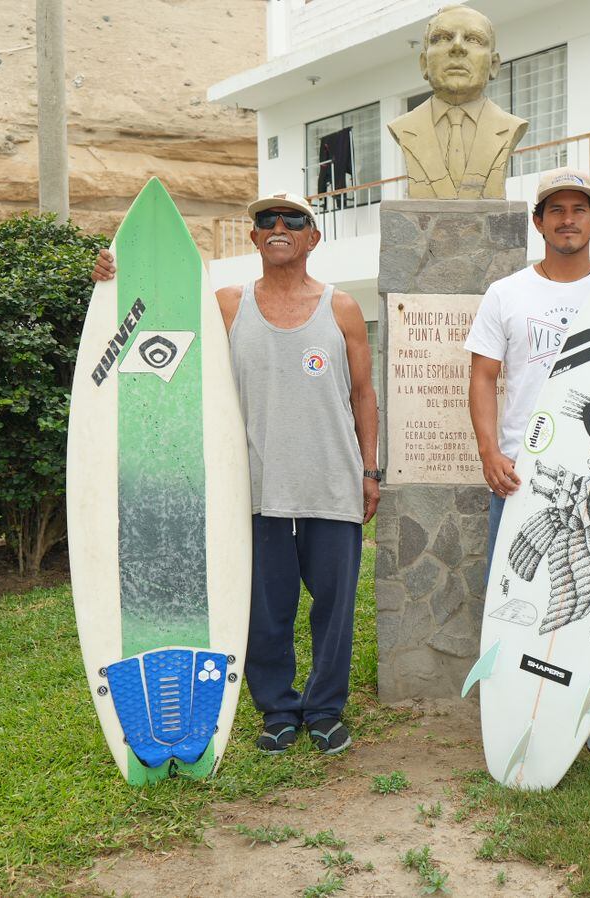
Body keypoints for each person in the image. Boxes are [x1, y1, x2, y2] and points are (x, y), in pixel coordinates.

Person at [93, 190, 381, 756]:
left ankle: (324, 711)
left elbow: (363, 394)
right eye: (266, 221)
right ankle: (277, 709)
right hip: (253, 490)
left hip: (332, 484)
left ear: (312, 237)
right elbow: (157, 314)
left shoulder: (341, 308)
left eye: (293, 220)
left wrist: (371, 470)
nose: (278, 226)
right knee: (264, 612)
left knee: (335, 610)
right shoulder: (226, 304)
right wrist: (112, 279)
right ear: (253, 238)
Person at [463, 167, 590, 756]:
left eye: (579, 209)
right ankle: (510, 700)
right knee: (515, 589)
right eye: (555, 209)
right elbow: (483, 377)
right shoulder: (507, 293)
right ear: (538, 222)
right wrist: (489, 452)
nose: (567, 219)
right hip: (522, 475)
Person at [388, 3, 528, 200]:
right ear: (424, 64)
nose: (457, 47)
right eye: (443, 38)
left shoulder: (510, 127)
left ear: (494, 65)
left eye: (474, 39)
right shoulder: (404, 127)